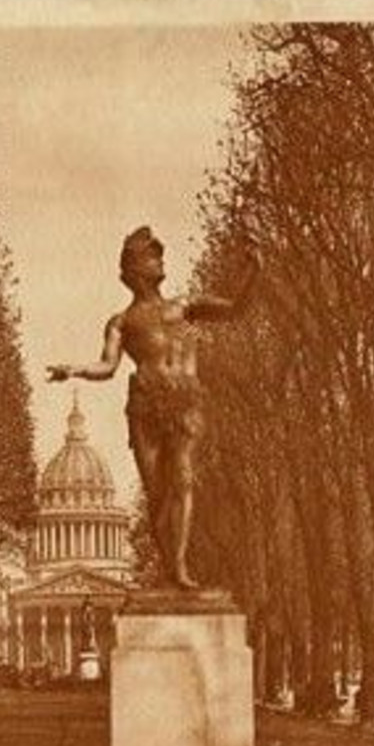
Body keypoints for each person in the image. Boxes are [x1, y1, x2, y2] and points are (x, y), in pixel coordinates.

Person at [46, 226, 258, 590]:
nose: (160, 261)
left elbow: (236, 309)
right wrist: (74, 369)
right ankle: (171, 570)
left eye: (159, 255)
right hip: (144, 404)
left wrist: (256, 271)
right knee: (158, 494)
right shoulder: (122, 322)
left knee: (183, 479)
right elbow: (107, 366)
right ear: (133, 271)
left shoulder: (185, 304)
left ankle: (178, 568)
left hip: (183, 400)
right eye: (151, 256)